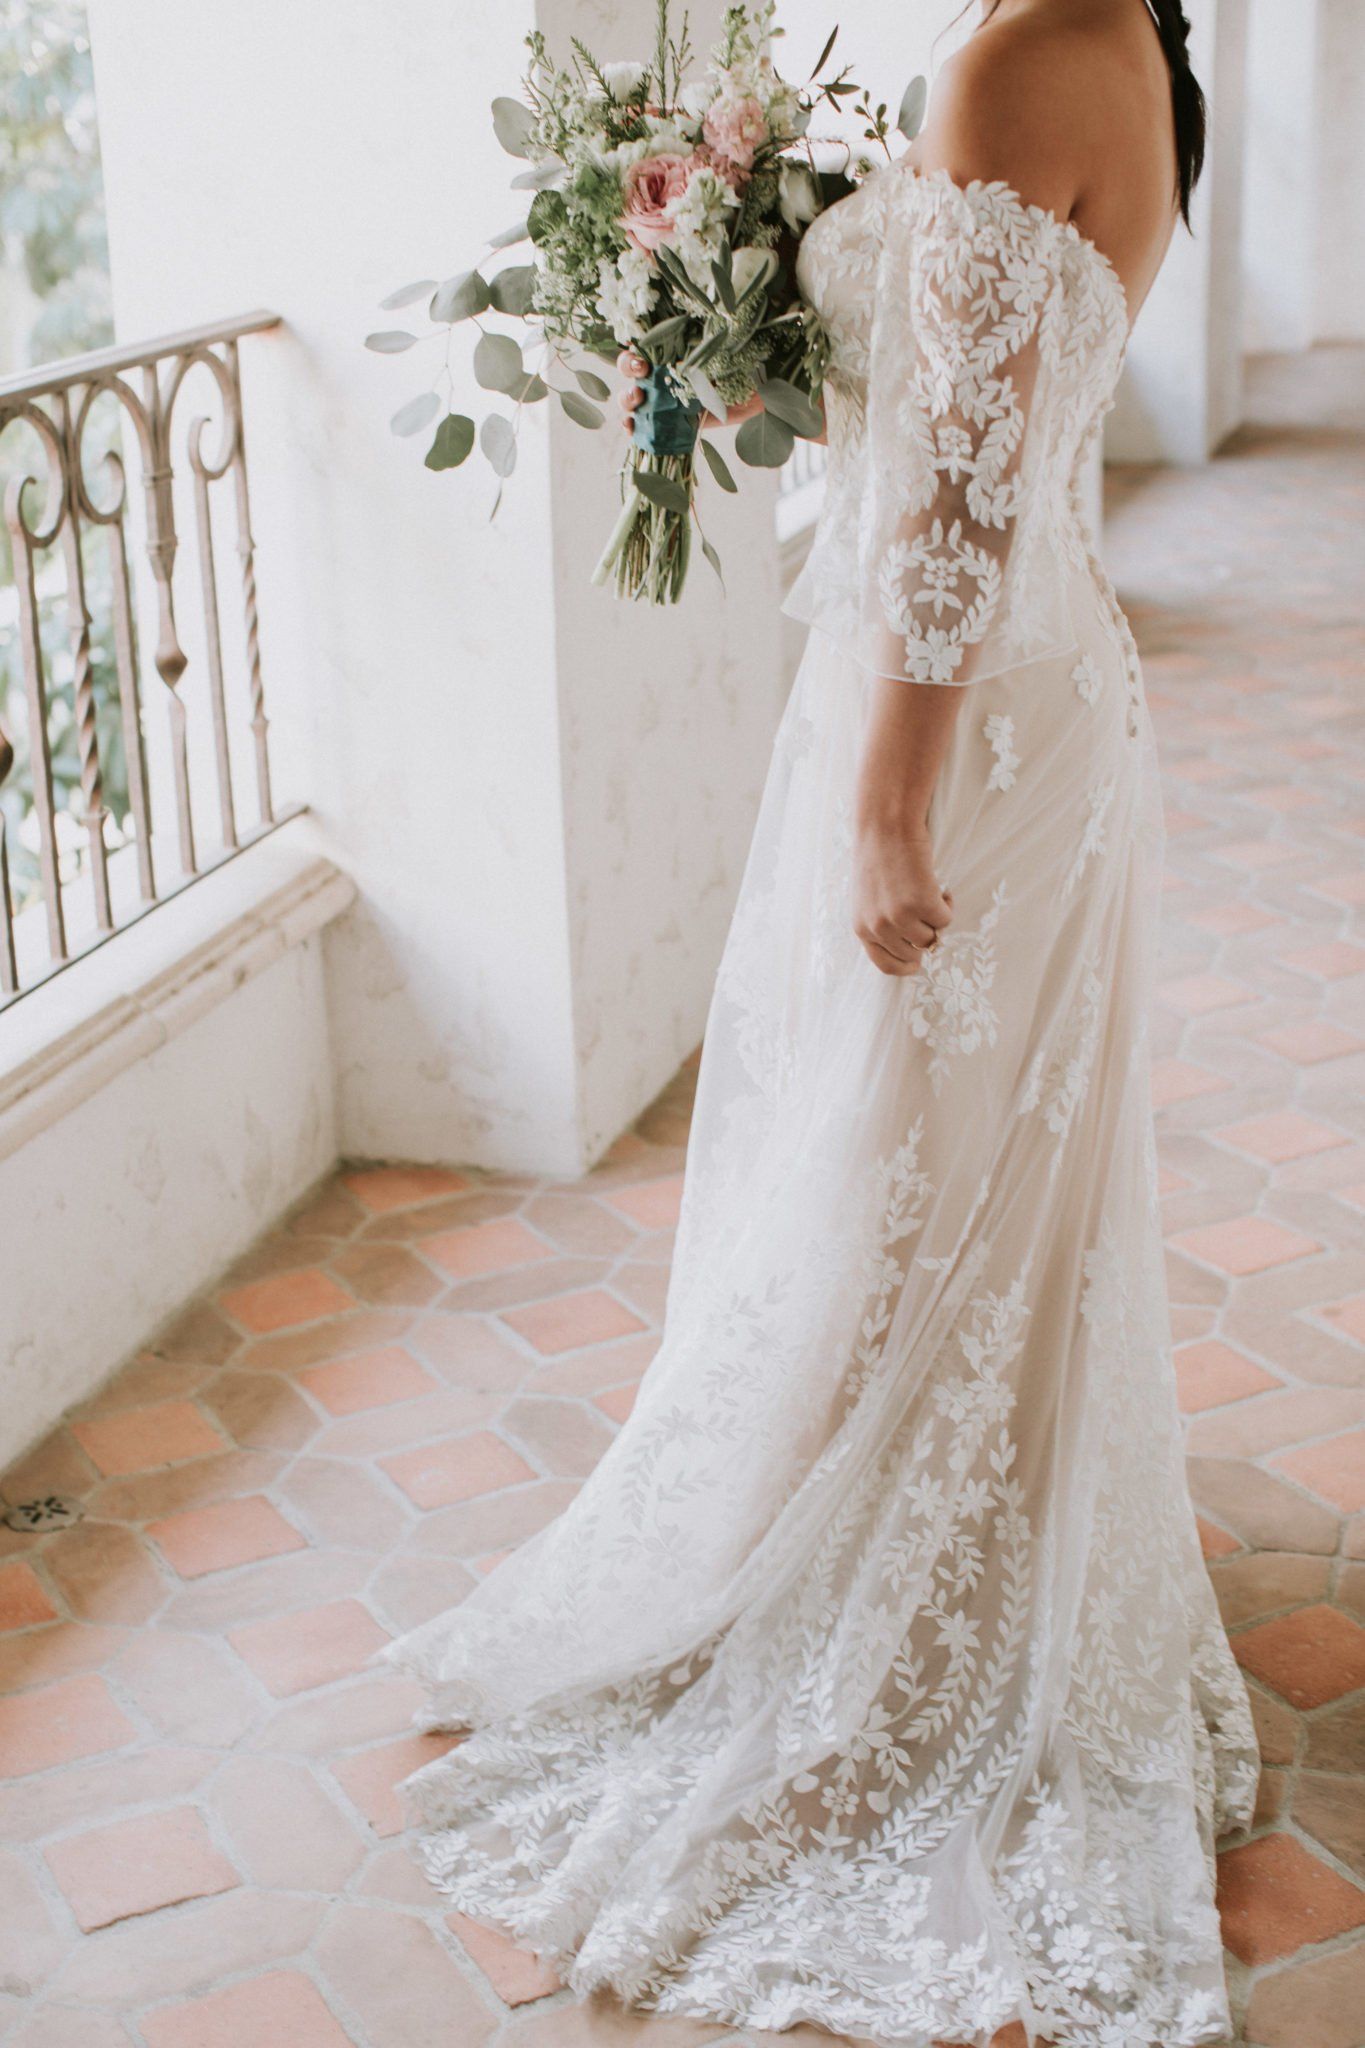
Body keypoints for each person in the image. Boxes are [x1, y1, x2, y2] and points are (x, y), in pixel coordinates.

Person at [381, 4, 1258, 2041]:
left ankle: (892, 1600)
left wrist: (884, 791)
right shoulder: (1115, 39)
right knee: (942, 1177)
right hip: (1040, 694)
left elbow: (953, 488)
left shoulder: (1018, 53)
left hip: (959, 720)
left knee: (897, 1170)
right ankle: (941, 1539)